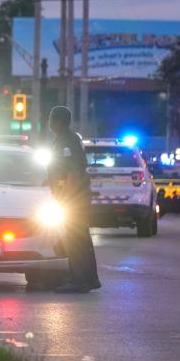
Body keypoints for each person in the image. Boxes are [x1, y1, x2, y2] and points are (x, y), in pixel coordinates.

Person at [48, 105, 102, 293]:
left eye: (51, 119)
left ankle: (80, 280)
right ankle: (88, 278)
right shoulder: (66, 139)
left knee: (75, 239)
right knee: (80, 239)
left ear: (59, 122)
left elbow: (73, 172)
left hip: (74, 199)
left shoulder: (67, 141)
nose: (49, 122)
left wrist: (68, 199)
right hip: (75, 197)